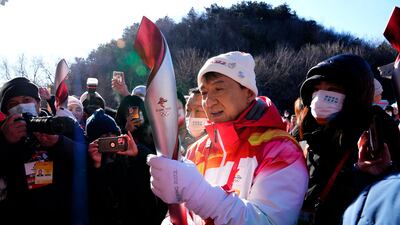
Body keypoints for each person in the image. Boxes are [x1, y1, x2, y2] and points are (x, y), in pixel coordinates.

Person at [147, 51, 309, 225]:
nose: (208, 102)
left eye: (219, 89)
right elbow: (183, 215)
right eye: (204, 92)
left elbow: (268, 221)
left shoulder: (280, 149)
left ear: (248, 93)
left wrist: (198, 193)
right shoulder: (197, 150)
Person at [295, 54, 400, 225]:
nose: (320, 97)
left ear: (355, 94)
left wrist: (364, 175)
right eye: (317, 89)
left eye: (332, 89)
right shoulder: (300, 135)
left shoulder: (377, 134)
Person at [0, 77, 87, 225]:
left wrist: (58, 142)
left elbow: (88, 156)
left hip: (62, 214)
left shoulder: (58, 125)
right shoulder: (3, 133)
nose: (20, 106)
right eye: (12, 104)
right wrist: (4, 141)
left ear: (38, 103)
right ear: (6, 112)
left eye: (26, 99)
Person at [86, 108, 166, 225]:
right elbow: (96, 200)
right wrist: (97, 166)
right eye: (104, 136)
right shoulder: (88, 162)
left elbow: (156, 169)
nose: (110, 139)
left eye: (113, 134)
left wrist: (137, 154)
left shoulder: (129, 154)